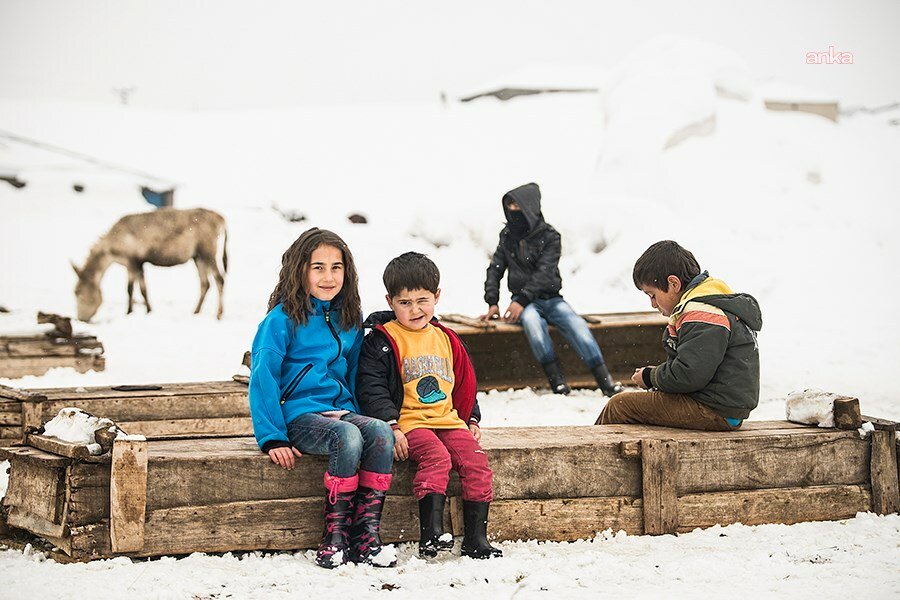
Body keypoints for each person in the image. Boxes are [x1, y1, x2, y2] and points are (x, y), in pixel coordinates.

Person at [248, 227, 396, 569]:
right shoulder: (281, 320)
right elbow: (263, 379)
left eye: (336, 267)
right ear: (300, 270)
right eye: (318, 267)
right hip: (297, 416)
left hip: (339, 412)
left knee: (380, 434)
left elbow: (355, 374)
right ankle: (335, 536)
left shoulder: (348, 319)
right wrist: (272, 438)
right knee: (345, 436)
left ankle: (366, 533)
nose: (328, 277)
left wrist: (368, 419)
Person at [357, 252, 503, 560]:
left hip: (448, 420)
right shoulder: (382, 340)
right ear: (390, 301)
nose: (415, 310)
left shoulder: (446, 338)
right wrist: (391, 426)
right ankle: (431, 534)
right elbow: (372, 388)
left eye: (422, 300)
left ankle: (477, 538)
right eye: (404, 303)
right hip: (411, 423)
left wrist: (472, 418)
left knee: (476, 462)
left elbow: (464, 383)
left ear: (436, 296)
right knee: (437, 458)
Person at [597, 240, 762, 430]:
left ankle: (588, 457)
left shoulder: (701, 313)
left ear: (673, 283)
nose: (652, 304)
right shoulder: (711, 305)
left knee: (619, 406)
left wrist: (651, 376)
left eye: (652, 295)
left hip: (713, 409)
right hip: (717, 405)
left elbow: (689, 375)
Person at [481, 182, 624, 397]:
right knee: (533, 326)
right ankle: (557, 382)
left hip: (551, 299)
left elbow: (544, 273)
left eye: (517, 205)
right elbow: (496, 268)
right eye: (509, 205)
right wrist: (492, 302)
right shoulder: (507, 236)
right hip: (525, 304)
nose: (512, 211)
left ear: (529, 207)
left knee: (578, 327)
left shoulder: (550, 236)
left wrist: (521, 300)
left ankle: (606, 383)